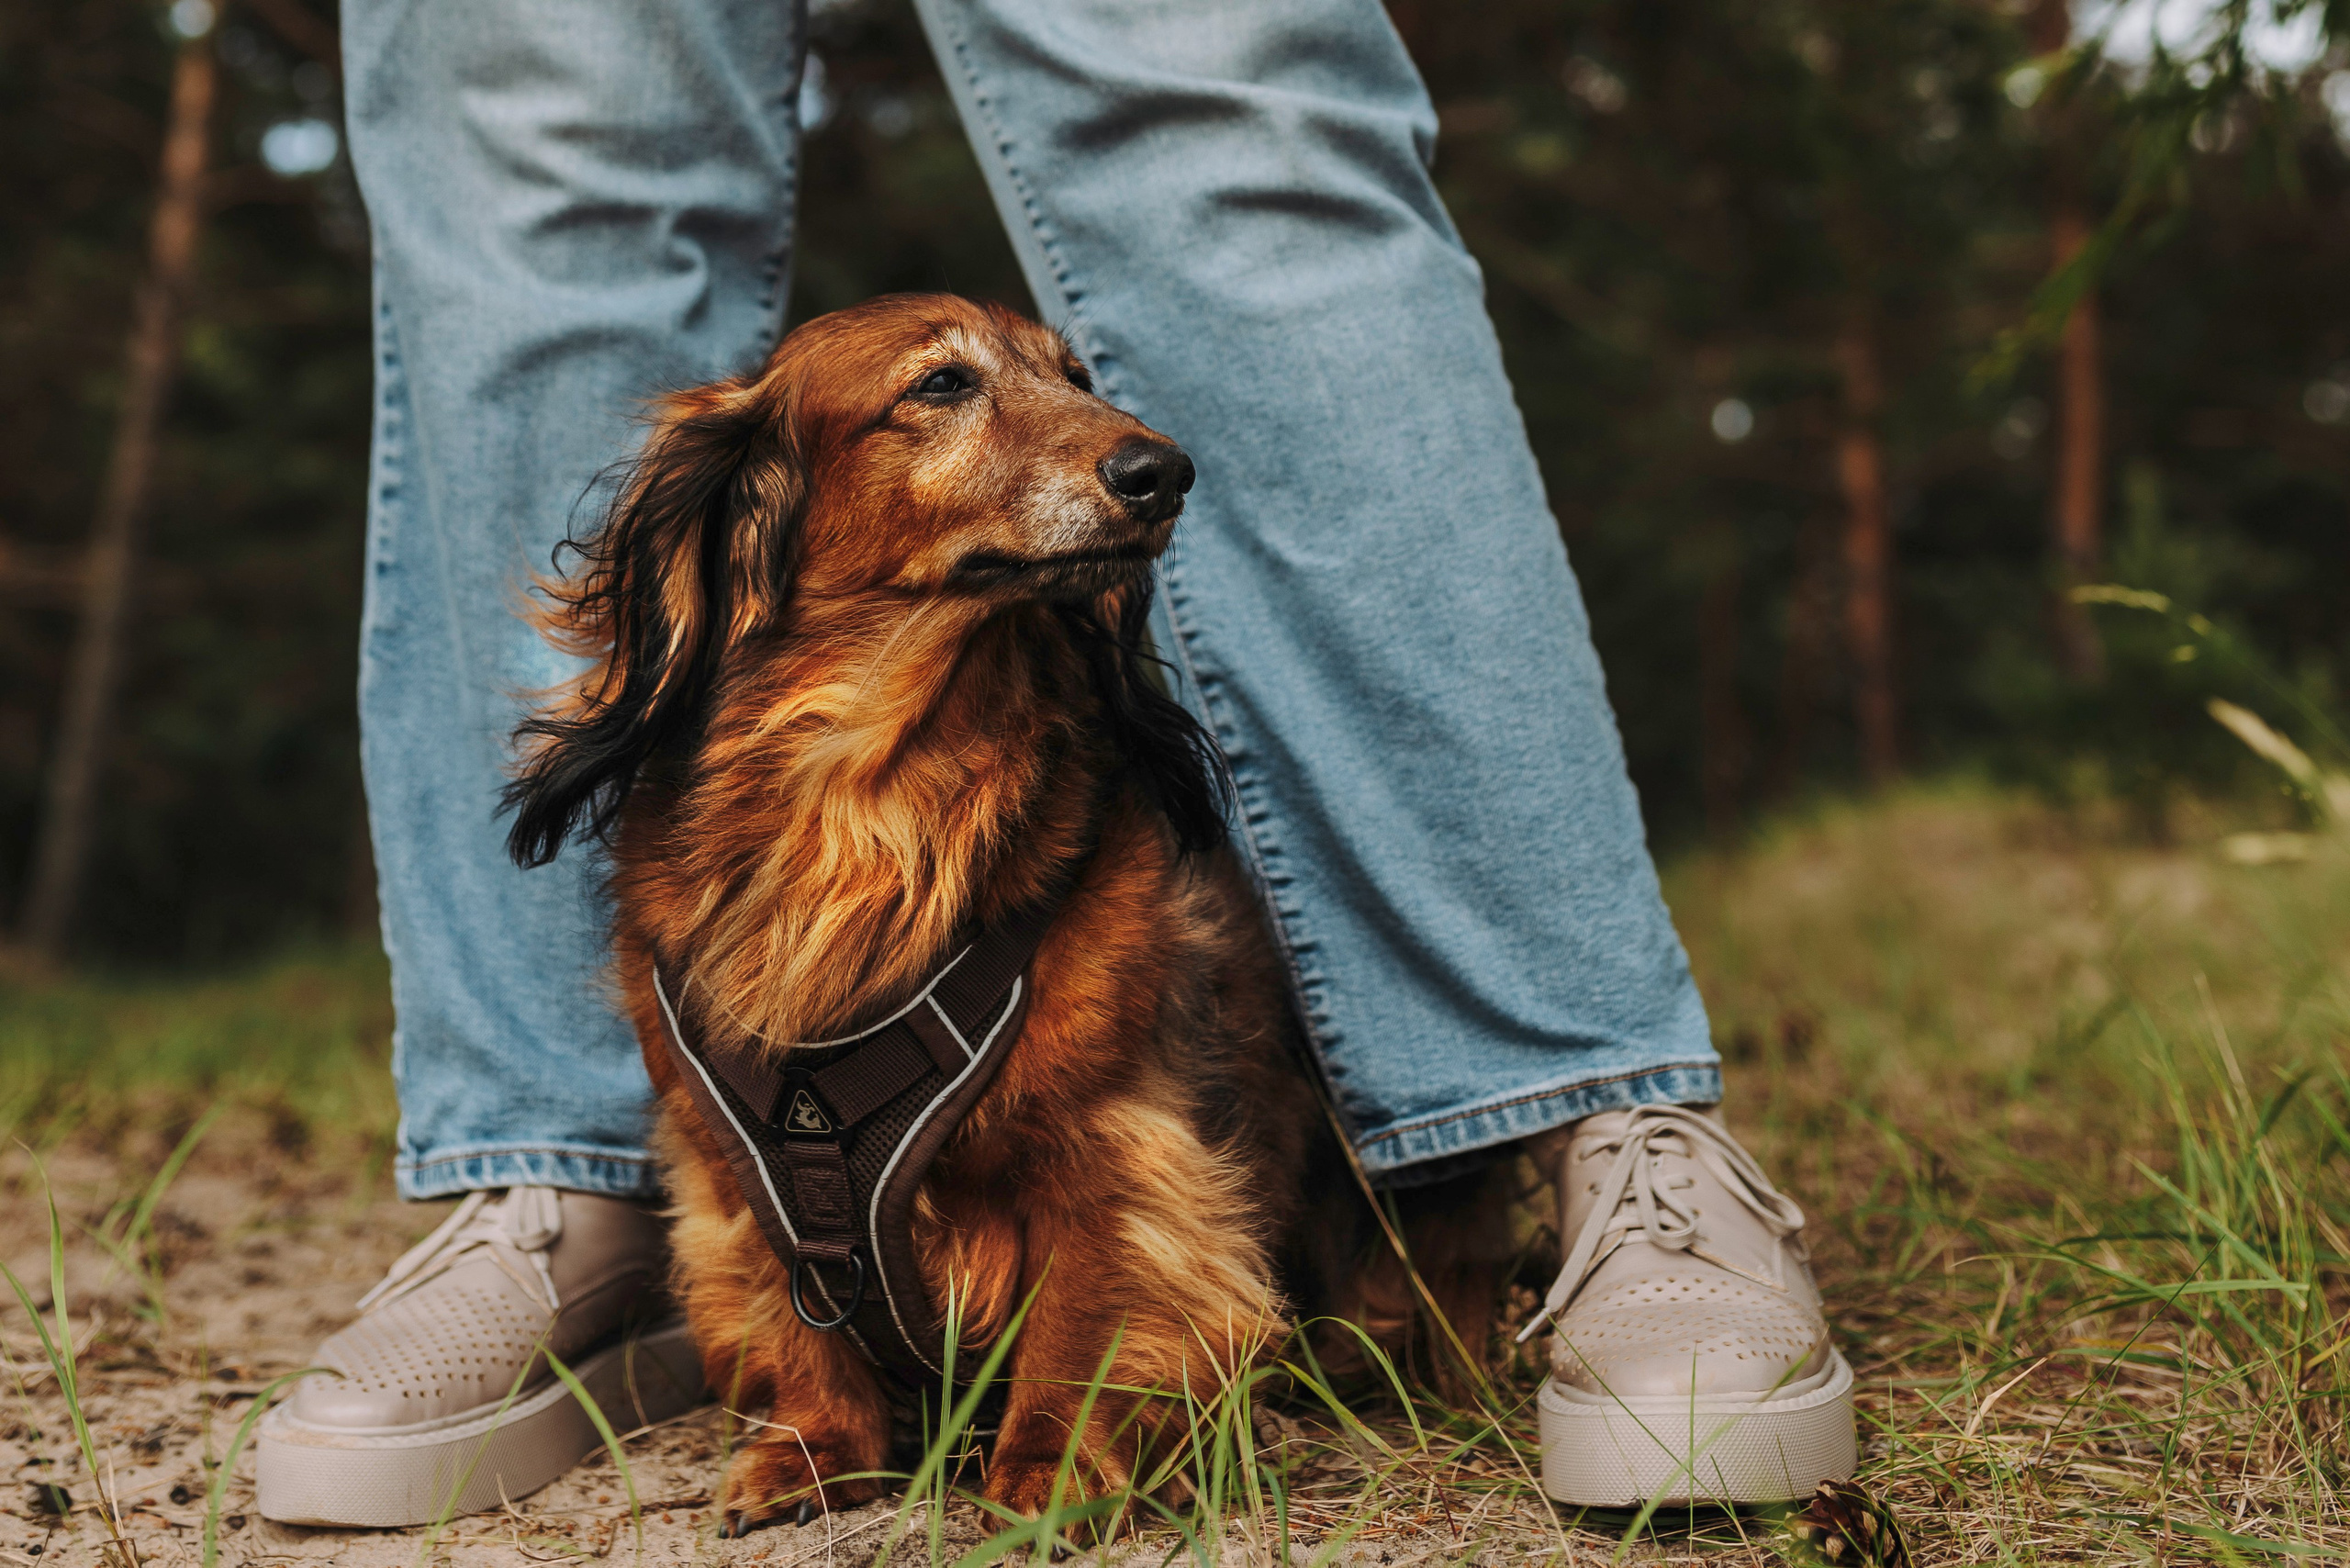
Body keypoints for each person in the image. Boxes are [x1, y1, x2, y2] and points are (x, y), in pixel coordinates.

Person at [254, 0, 1856, 1527]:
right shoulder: (737, 524)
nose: (1099, 436)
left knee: (1229, 106)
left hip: (1074, 986)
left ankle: (1589, 1108)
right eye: (949, 394)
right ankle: (559, 1181)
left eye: (1058, 383)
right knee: (541, 161)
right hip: (736, 825)